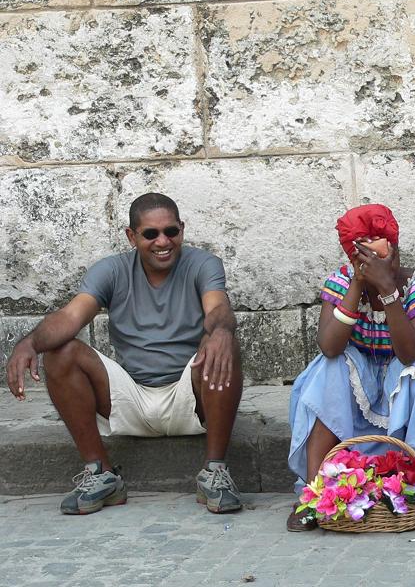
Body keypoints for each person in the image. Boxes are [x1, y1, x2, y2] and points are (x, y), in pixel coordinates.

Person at [5, 193, 243, 515]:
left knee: (221, 341)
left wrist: (222, 332)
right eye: (150, 234)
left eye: (171, 231)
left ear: (182, 230)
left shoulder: (203, 263)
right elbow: (70, 318)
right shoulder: (111, 270)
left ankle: (214, 472)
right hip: (130, 396)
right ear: (132, 236)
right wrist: (29, 343)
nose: (163, 241)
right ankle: (101, 474)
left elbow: (217, 309)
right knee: (59, 352)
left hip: (191, 396)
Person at [286, 204, 415, 531]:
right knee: (329, 365)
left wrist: (388, 290)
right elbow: (329, 345)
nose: (378, 257)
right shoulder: (342, 281)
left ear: (395, 249)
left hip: (410, 384)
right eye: (366, 251)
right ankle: (313, 492)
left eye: (384, 246)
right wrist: (357, 285)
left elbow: (410, 351)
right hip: (361, 388)